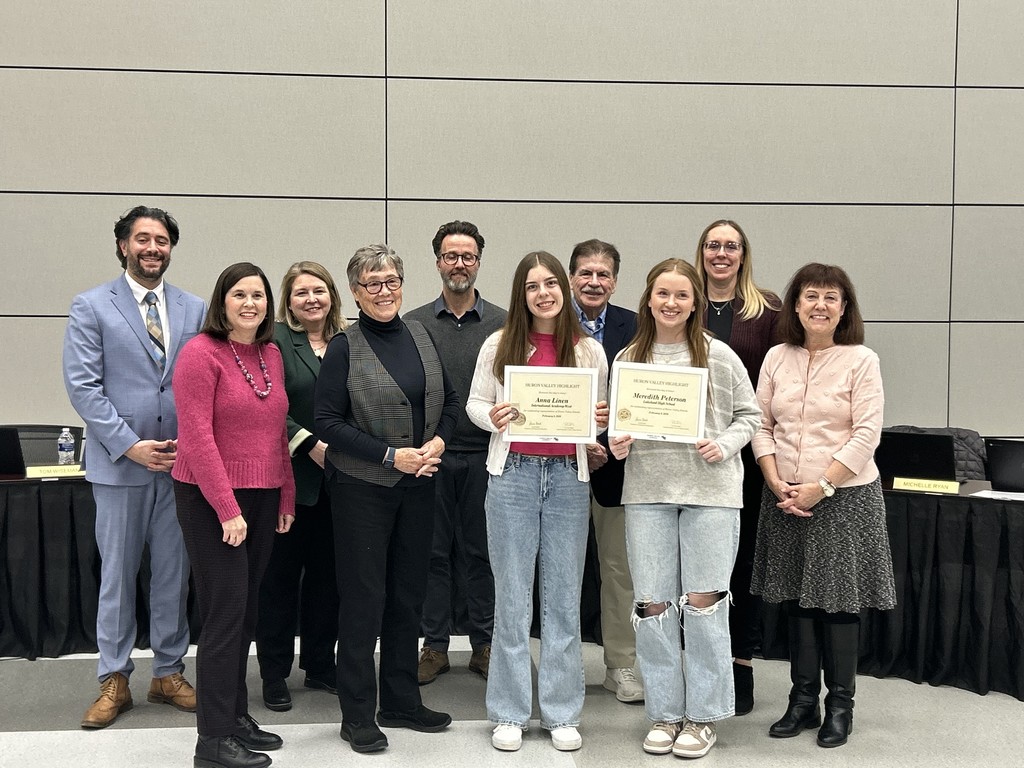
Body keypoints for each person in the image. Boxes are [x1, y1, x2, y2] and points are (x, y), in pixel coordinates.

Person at [609, 259, 760, 759]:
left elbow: (750, 416)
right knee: (652, 605)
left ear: (695, 302)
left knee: (703, 606)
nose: (670, 303)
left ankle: (702, 716)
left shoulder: (720, 356)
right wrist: (618, 443)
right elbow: (617, 428)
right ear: (648, 300)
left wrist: (725, 443)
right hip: (648, 492)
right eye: (662, 294)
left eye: (681, 295)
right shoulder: (629, 358)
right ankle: (666, 712)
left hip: (711, 493)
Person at [314, 244, 460, 754]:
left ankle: (400, 701)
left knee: (407, 596)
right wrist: (389, 456)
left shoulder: (420, 333)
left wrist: (439, 441)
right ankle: (357, 714)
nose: (384, 291)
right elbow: (326, 423)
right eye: (372, 283)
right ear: (355, 292)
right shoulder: (343, 346)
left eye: (392, 280)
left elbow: (451, 401)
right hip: (362, 492)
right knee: (363, 600)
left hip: (421, 487)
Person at [63, 205, 205, 729]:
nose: (153, 248)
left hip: (181, 466)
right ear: (123, 245)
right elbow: (83, 386)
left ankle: (168, 672)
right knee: (118, 577)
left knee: (174, 573)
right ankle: (114, 678)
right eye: (142, 239)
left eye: (162, 240)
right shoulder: (92, 306)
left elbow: (201, 381)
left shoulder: (194, 308)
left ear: (171, 248)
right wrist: (130, 445)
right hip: (119, 466)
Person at [466, 251, 609, 753]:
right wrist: (496, 416)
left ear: (563, 289)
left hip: (570, 479)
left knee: (564, 597)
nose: (543, 293)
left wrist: (599, 421)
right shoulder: (499, 344)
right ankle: (509, 711)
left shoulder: (589, 350)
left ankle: (562, 711)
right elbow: (475, 403)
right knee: (512, 597)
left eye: (551, 283)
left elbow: (597, 422)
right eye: (532, 286)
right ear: (520, 295)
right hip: (513, 477)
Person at [750, 263, 896, 749]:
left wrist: (821, 486)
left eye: (831, 297)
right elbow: (761, 424)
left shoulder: (861, 360)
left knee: (836, 604)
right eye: (810, 295)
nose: (819, 305)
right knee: (797, 600)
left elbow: (866, 434)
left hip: (844, 499)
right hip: (784, 494)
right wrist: (775, 482)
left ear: (844, 309)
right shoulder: (776, 356)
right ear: (795, 305)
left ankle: (840, 707)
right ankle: (802, 701)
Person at [172, 262, 296, 768]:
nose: (250, 303)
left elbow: (276, 433)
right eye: (240, 294)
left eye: (259, 296)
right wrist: (227, 509)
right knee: (224, 618)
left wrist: (285, 496)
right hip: (211, 499)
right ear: (222, 301)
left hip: (263, 496)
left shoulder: (270, 354)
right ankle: (212, 741)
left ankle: (236, 717)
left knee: (246, 613)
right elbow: (198, 439)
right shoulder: (199, 355)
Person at [405, 221, 507, 685]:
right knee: (432, 553)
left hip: (491, 455)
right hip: (432, 457)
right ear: (438, 262)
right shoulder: (415, 323)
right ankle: (435, 645)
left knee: (483, 552)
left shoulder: (506, 323)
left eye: (467, 256)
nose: (459, 264)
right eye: (450, 256)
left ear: (479, 261)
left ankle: (485, 643)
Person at [693, 219, 780, 714]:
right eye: (712, 245)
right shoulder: (684, 300)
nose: (721, 253)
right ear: (701, 251)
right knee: (695, 558)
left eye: (731, 246)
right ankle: (695, 658)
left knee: (739, 558)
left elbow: (777, 381)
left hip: (743, 452)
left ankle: (739, 661)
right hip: (685, 452)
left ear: (744, 254)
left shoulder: (767, 310)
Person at [256, 262, 346, 712]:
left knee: (328, 581)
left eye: (319, 290)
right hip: (286, 481)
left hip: (342, 485)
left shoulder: (349, 339)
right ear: (287, 301)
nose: (311, 299)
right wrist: (306, 442)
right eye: (300, 292)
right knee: (279, 582)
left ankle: (319, 665)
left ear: (332, 295)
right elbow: (266, 404)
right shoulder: (273, 340)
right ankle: (274, 673)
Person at [567, 238, 643, 703]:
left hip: (618, 468)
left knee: (619, 570)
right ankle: (563, 665)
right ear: (572, 276)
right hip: (561, 467)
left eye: (604, 274)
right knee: (562, 571)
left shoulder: (637, 328)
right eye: (585, 273)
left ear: (615, 280)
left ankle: (621, 665)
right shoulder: (547, 323)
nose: (594, 282)